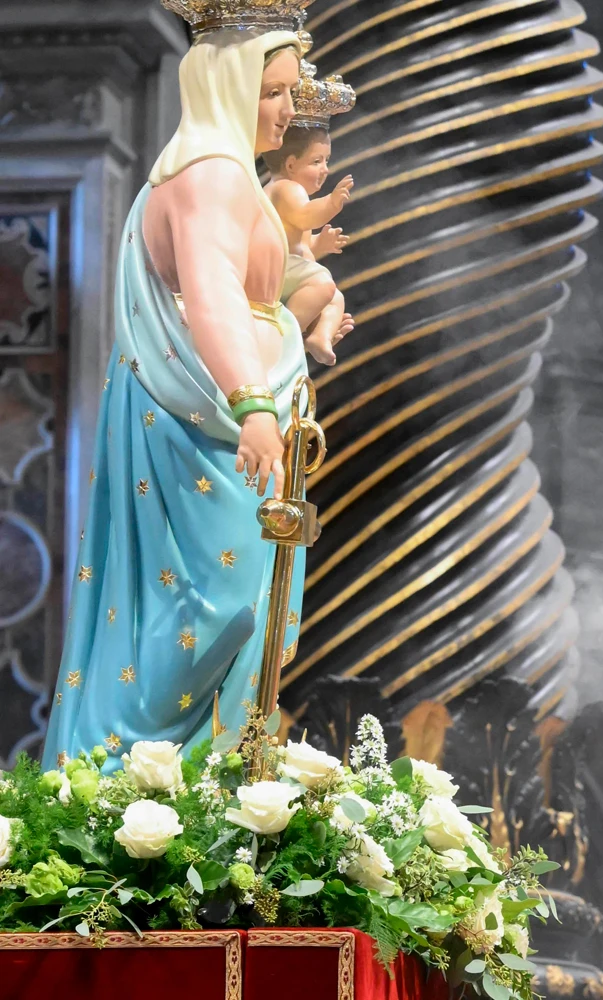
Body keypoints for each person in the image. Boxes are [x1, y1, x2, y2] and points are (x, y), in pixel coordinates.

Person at [43, 12, 325, 765]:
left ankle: (210, 786)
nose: (288, 112)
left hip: (230, 432)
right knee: (214, 611)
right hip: (207, 434)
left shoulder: (229, 175)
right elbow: (211, 295)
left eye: (290, 93)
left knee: (244, 614)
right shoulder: (210, 176)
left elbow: (259, 295)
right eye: (273, 93)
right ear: (227, 86)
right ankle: (139, 781)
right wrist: (255, 405)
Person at [262, 71, 354, 366]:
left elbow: (300, 245)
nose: (325, 169)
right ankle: (284, 334)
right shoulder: (285, 189)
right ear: (291, 164)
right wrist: (331, 203)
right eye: (317, 162)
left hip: (292, 270)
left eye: (326, 161)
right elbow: (304, 218)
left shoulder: (292, 188)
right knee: (323, 283)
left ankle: (317, 338)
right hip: (276, 270)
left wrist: (318, 246)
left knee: (335, 297)